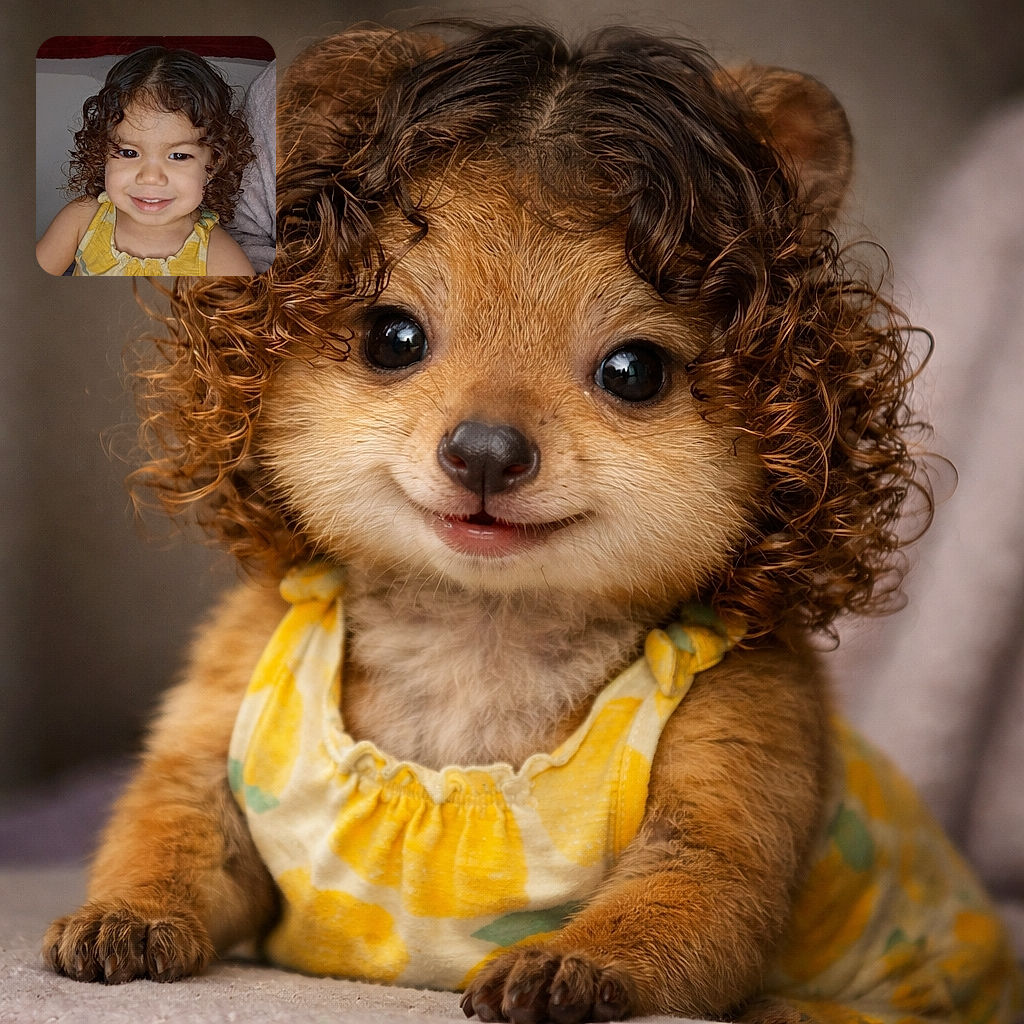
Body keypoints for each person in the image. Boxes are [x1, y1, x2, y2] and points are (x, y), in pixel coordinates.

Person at [36, 46, 255, 276]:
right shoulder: (81, 219)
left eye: (179, 156)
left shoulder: (221, 259)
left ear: (214, 163)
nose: (150, 177)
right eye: (129, 153)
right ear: (102, 151)